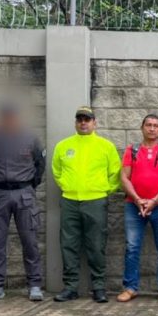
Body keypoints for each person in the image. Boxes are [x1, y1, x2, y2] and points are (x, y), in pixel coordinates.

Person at [51, 106, 121, 303]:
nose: (83, 122)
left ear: (94, 123)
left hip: (96, 201)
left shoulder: (105, 146)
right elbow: (56, 171)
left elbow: (116, 173)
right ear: (75, 122)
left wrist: (105, 190)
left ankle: (98, 287)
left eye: (87, 119)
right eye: (80, 119)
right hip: (70, 201)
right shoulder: (63, 146)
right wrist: (66, 185)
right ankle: (70, 287)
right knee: (68, 244)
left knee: (96, 245)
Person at [0, 103, 46, 303]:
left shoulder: (30, 137)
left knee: (30, 241)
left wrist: (28, 185)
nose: (8, 119)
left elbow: (39, 164)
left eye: (12, 115)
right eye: (4, 116)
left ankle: (34, 285)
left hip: (24, 193)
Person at [118, 114, 158, 303]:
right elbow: (124, 178)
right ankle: (130, 287)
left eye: (155, 126)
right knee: (132, 247)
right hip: (133, 206)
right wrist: (137, 200)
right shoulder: (131, 150)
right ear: (142, 127)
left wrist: (153, 201)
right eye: (148, 125)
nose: (152, 129)